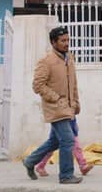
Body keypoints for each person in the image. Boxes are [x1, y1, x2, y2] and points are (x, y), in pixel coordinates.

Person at [22, 26, 83, 185]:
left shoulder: (69, 58)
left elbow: (73, 83)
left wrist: (75, 102)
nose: (66, 43)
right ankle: (66, 175)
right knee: (68, 140)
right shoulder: (46, 62)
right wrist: (55, 98)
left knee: (55, 142)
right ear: (53, 42)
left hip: (68, 107)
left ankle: (30, 161)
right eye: (63, 41)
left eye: (68, 40)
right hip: (55, 108)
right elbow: (38, 85)